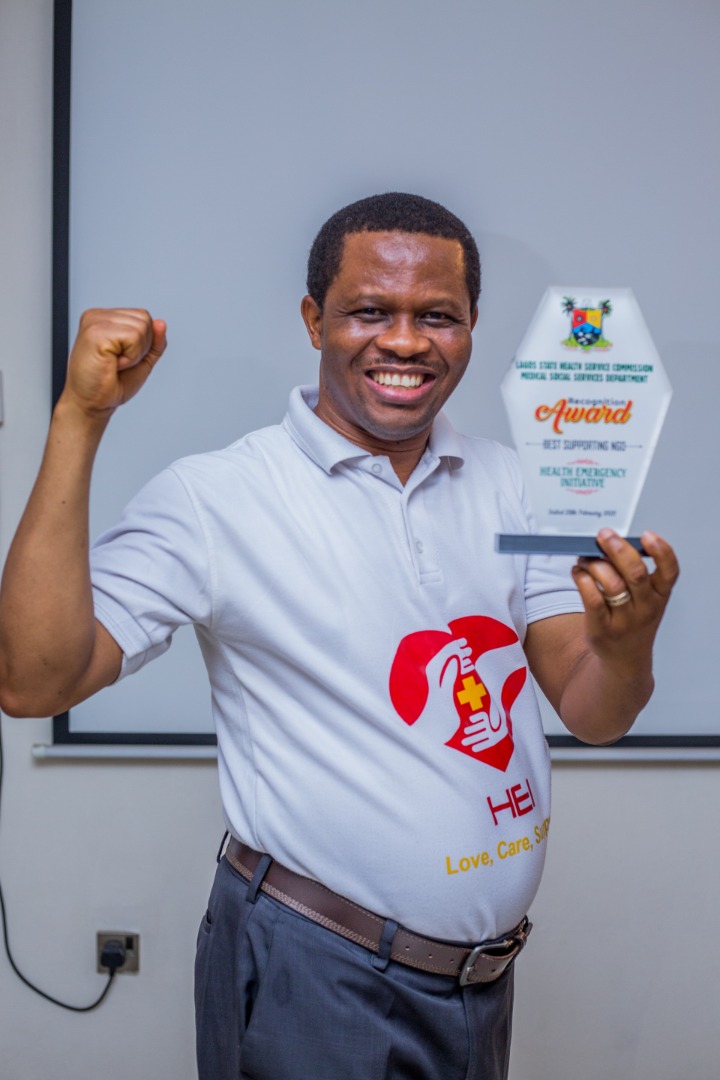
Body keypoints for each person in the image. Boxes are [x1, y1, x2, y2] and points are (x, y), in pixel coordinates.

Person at [0, 193, 678, 1079]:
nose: (405, 341)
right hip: (314, 972)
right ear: (314, 320)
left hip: (480, 985)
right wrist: (79, 418)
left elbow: (595, 713)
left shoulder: (516, 486)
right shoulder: (217, 498)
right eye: (369, 311)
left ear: (473, 325)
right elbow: (34, 682)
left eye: (437, 316)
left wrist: (627, 642)